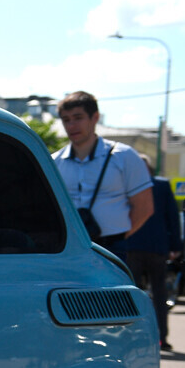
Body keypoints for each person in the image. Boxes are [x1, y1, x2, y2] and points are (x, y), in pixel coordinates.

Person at [52, 91, 152, 259]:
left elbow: (144, 207)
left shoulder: (124, 156)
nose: (71, 125)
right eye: (66, 120)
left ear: (95, 117)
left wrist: (119, 235)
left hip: (112, 245)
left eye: (78, 118)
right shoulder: (55, 162)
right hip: (69, 248)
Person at [123, 153, 182, 351]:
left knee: (132, 295)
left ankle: (132, 339)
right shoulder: (162, 185)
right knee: (159, 294)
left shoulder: (127, 185)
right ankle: (162, 339)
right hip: (157, 248)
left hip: (132, 246)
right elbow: (172, 218)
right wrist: (175, 246)